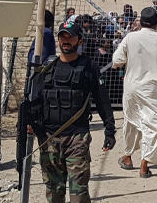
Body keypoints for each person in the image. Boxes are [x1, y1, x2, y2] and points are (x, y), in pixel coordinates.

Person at [34, 21, 116, 203]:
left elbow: (103, 101)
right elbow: (36, 101)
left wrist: (109, 129)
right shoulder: (48, 68)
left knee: (78, 195)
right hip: (49, 139)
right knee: (54, 194)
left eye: (70, 37)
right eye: (63, 36)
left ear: (79, 41)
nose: (66, 40)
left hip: (76, 139)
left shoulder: (89, 67)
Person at [112, 7, 157, 178]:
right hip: (153, 89)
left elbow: (117, 60)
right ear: (156, 22)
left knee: (131, 121)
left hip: (132, 88)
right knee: (153, 124)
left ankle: (127, 157)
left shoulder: (131, 37)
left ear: (141, 22)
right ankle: (144, 165)